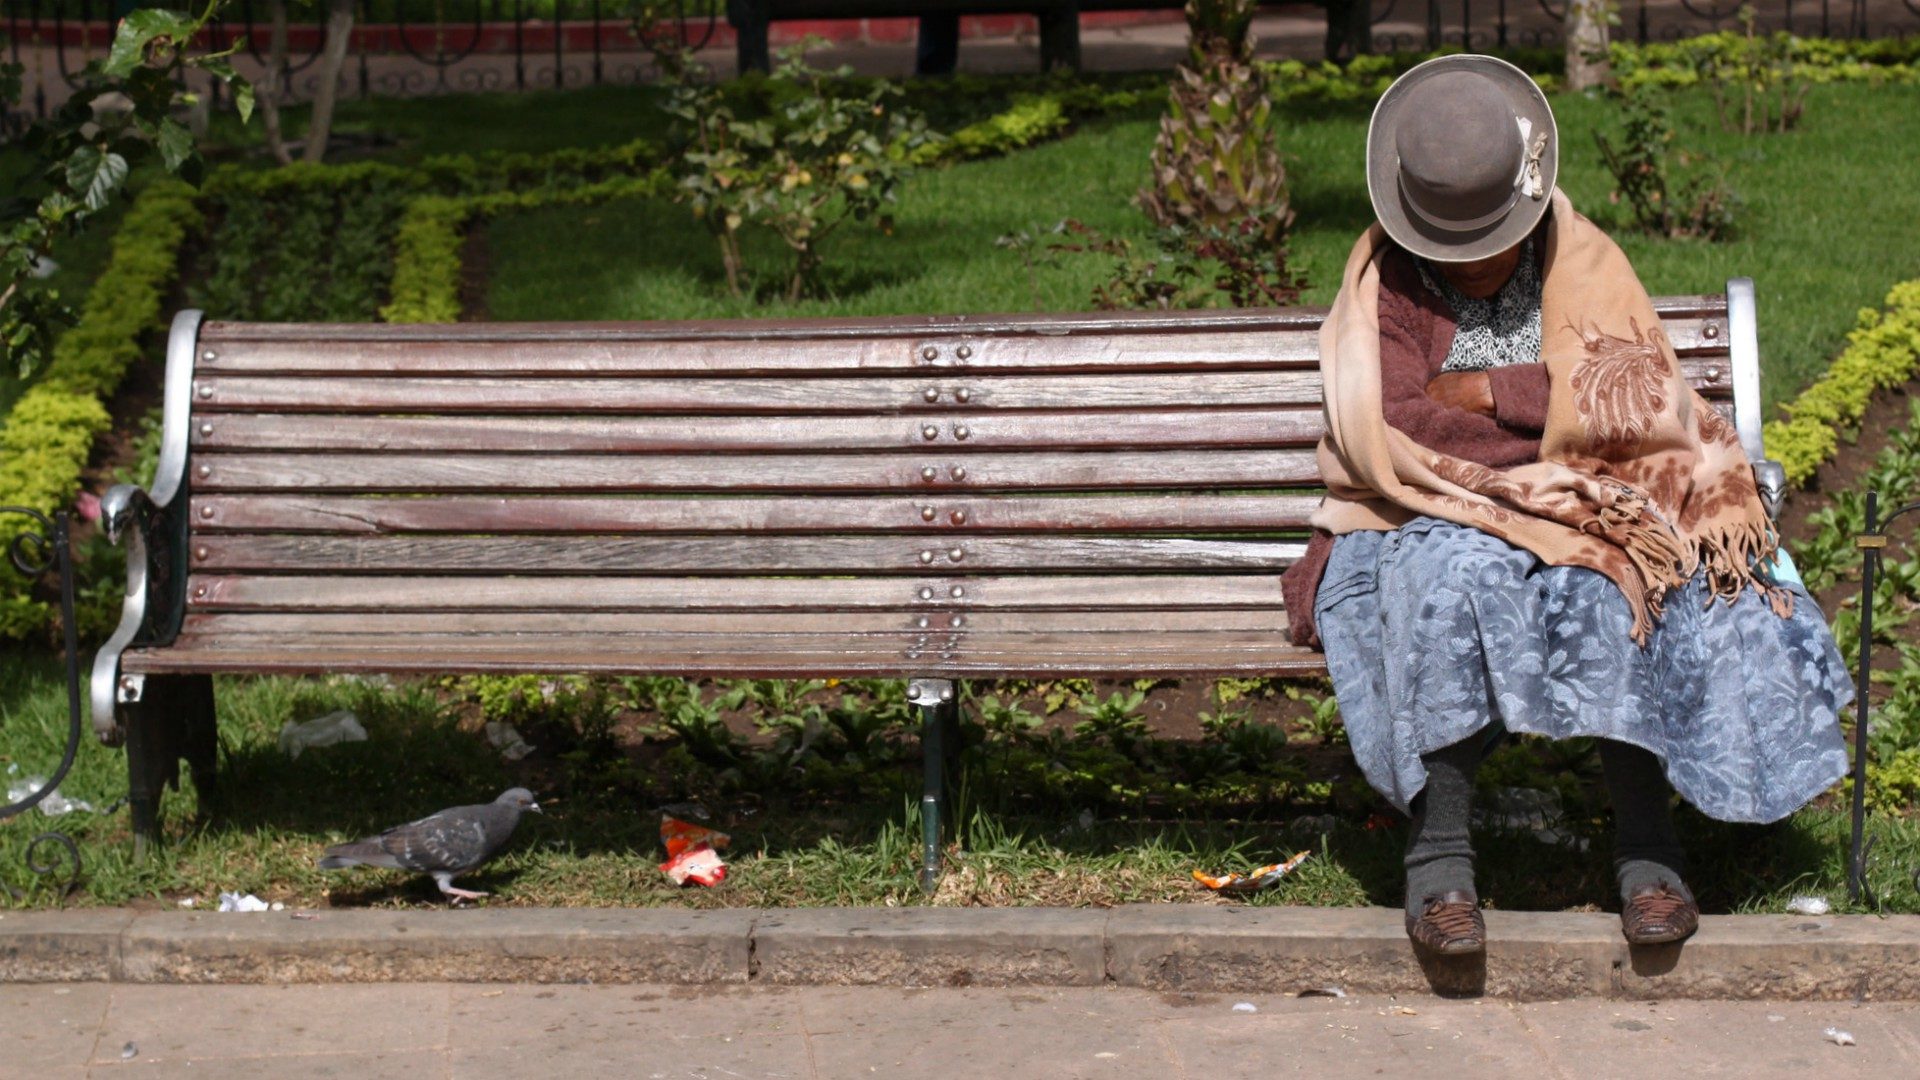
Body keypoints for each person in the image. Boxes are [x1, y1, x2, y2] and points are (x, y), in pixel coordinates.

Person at [1279, 55, 1851, 956]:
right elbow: (1394, 426)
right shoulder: (1384, 289)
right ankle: (1439, 866)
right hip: (1418, 511)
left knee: (1609, 582)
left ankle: (1648, 859)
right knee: (1448, 578)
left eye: (1491, 236)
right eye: (1454, 242)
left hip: (1588, 509)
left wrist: (1483, 395)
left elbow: (1634, 399)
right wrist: (1547, 425)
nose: (1476, 260)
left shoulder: (1581, 261)